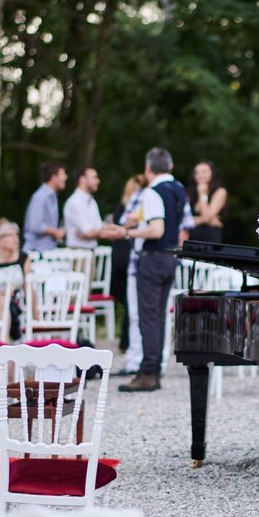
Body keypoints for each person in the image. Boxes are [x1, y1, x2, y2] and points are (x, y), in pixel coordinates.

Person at [107, 148, 187, 392]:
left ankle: (148, 372)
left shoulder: (153, 192)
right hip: (170, 257)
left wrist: (127, 232)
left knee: (148, 317)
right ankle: (154, 368)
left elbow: (156, 229)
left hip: (152, 258)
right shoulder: (178, 189)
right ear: (170, 166)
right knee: (159, 316)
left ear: (147, 169)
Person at [109, 174, 146, 355]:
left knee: (128, 302)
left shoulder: (119, 208)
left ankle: (126, 341)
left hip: (118, 255)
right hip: (126, 256)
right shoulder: (135, 208)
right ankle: (127, 341)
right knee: (131, 302)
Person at [0, 218, 31, 341]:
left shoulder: (23, 259)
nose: (15, 238)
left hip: (13, 305)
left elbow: (29, 288)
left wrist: (36, 315)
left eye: (16, 235)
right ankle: (6, 352)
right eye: (10, 235)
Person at [63, 166, 115, 249]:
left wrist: (94, 233)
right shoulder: (75, 202)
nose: (98, 181)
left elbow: (98, 228)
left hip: (90, 251)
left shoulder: (92, 202)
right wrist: (93, 233)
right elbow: (89, 232)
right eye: (94, 178)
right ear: (82, 179)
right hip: (78, 254)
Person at [23, 161, 67, 252]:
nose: (66, 177)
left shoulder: (52, 197)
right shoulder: (41, 196)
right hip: (36, 251)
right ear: (53, 177)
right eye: (63, 174)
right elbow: (35, 225)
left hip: (46, 249)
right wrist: (56, 232)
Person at [186, 160, 227, 244]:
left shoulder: (220, 192)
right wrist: (206, 220)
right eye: (197, 172)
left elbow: (206, 216)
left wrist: (202, 194)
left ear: (212, 173)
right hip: (191, 237)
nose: (200, 175)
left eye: (204, 172)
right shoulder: (190, 193)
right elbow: (184, 219)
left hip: (210, 238)